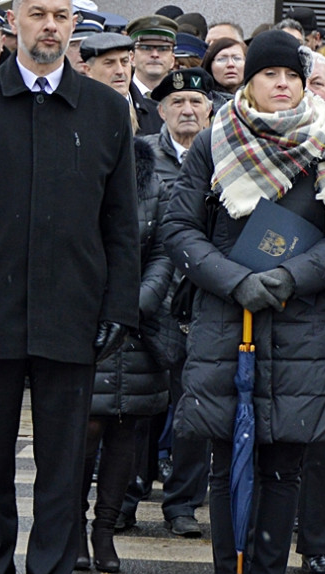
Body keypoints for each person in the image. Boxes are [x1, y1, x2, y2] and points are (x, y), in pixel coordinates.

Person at [162, 30, 325, 574]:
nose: (282, 84)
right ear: (246, 80)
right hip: (230, 324)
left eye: (292, 76)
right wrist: (231, 281)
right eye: (269, 74)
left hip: (302, 327)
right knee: (227, 468)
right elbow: (179, 226)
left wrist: (288, 277)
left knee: (283, 469)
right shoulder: (216, 141)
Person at [0, 0, 139, 574]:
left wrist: (120, 304)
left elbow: (122, 222)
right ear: (14, 23)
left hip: (74, 308)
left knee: (63, 458)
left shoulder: (107, 109)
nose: (51, 26)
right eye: (38, 13)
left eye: (61, 14)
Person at [77, 130, 172, 572]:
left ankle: (105, 529)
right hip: (84, 320)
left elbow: (165, 251)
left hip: (138, 324)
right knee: (84, 431)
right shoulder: (75, 170)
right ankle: (73, 527)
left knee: (125, 431)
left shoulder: (151, 182)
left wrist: (135, 301)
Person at [143, 66, 216, 537]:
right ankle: (127, 496)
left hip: (205, 300)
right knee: (142, 407)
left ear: (210, 108)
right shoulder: (143, 154)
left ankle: (183, 503)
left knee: (195, 408)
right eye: (177, 103)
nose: (187, 110)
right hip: (153, 299)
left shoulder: (225, 154)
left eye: (196, 102)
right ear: (162, 110)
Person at [126, 13, 177, 133]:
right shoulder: (121, 97)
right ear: (131, 58)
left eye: (163, 49)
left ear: (172, 60)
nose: (155, 54)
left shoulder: (183, 98)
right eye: (146, 48)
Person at [201, 36, 246, 111]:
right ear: (209, 65)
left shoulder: (258, 100)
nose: (230, 64)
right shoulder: (201, 101)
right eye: (222, 59)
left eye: (237, 58)